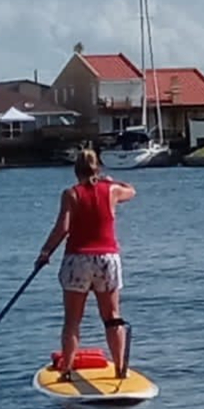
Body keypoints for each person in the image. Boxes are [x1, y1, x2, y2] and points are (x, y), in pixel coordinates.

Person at [35, 149, 136, 379]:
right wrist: (111, 180)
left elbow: (63, 228)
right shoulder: (112, 190)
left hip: (77, 259)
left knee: (72, 320)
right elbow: (132, 191)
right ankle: (120, 369)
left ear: (76, 170)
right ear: (98, 168)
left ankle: (67, 370)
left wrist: (45, 252)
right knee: (112, 317)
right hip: (107, 259)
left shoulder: (71, 194)